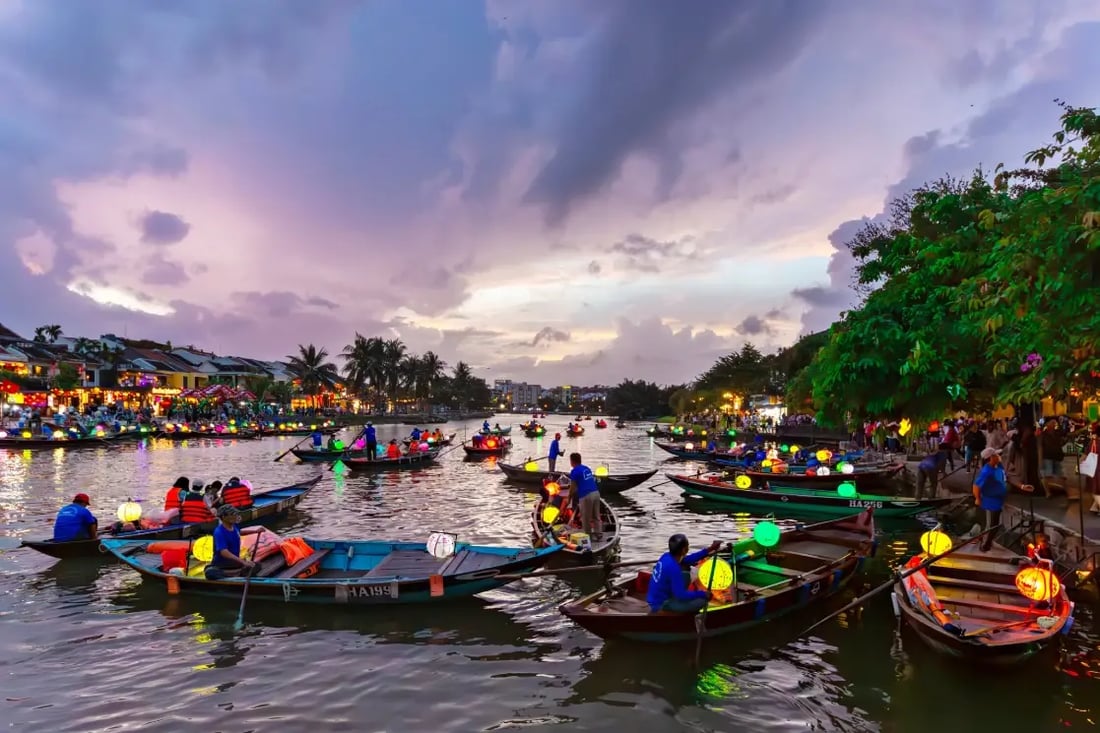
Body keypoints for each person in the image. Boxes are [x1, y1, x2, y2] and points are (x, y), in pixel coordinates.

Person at [647, 534, 723, 614]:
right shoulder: (674, 568)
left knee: (685, 566)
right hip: (662, 604)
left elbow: (689, 559)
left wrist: (710, 549)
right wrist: (703, 594)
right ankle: (671, 613)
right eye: (687, 546)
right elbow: (681, 595)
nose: (688, 547)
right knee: (703, 600)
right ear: (684, 550)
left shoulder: (666, 556)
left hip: (654, 598)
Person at [204, 505, 262, 580]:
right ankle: (231, 577)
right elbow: (224, 552)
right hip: (221, 566)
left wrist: (255, 531)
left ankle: (236, 574)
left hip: (235, 564)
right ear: (224, 517)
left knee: (257, 565)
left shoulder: (234, 527)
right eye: (232, 514)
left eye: (236, 514)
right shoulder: (219, 532)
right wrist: (242, 562)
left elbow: (239, 532)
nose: (236, 516)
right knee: (211, 573)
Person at [972, 447, 1007, 552]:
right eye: (996, 455)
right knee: (990, 526)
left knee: (994, 524)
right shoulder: (987, 472)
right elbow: (976, 486)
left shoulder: (996, 467)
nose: (998, 456)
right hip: (990, 502)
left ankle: (987, 542)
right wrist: (978, 498)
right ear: (990, 458)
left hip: (997, 500)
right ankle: (985, 545)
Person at [568, 452, 602, 540]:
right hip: (596, 493)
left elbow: (572, 488)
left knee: (585, 517)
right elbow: (585, 481)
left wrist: (569, 498)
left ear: (572, 461)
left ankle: (588, 536)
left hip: (586, 495)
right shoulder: (587, 468)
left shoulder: (574, 471)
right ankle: (599, 534)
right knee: (596, 515)